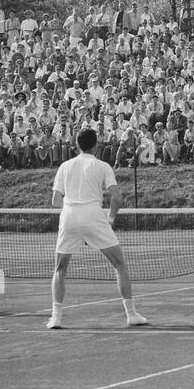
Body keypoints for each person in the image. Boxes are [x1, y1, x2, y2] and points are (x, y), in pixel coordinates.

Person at [46, 127, 146, 329]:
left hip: (69, 216)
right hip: (93, 214)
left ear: (76, 144)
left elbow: (56, 200)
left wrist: (72, 211)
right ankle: (131, 314)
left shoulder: (65, 166)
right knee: (119, 265)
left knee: (59, 269)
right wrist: (109, 218)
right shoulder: (103, 166)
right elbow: (117, 198)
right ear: (96, 145)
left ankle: (55, 318)